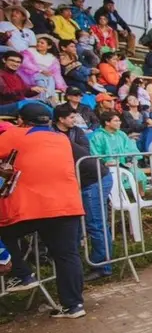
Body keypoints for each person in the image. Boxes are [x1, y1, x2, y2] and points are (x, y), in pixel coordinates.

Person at [0, 102, 87, 317]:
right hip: (67, 205)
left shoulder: (16, 135)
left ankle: (22, 274)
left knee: (4, 232)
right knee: (67, 255)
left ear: (21, 121)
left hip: (33, 207)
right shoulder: (62, 138)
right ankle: (74, 306)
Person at [52, 103, 113, 280]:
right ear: (61, 119)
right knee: (84, 223)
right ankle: (86, 262)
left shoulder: (77, 133)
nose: (75, 120)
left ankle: (102, 265)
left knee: (96, 223)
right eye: (71, 117)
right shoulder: (52, 134)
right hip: (76, 183)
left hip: (94, 179)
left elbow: (83, 154)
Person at [89, 111, 149, 195]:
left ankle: (140, 197)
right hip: (106, 167)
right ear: (107, 123)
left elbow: (130, 149)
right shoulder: (97, 136)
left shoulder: (121, 134)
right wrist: (104, 163)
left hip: (124, 164)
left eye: (119, 121)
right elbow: (94, 153)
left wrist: (130, 160)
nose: (119, 123)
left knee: (139, 175)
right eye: (116, 121)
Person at [17, 34, 64, 104]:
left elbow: (57, 74)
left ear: (49, 46)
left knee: (51, 78)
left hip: (45, 77)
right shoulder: (29, 51)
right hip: (29, 74)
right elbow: (25, 63)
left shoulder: (52, 58)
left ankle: (46, 98)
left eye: (42, 43)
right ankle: (46, 99)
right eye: (38, 42)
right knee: (42, 78)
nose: (39, 44)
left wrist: (61, 87)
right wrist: (40, 70)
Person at [0, 51, 43, 116]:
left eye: (18, 62)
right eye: (12, 60)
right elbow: (6, 93)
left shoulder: (17, 76)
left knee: (40, 104)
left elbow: (26, 93)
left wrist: (37, 90)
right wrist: (30, 89)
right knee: (28, 104)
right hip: (3, 106)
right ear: (4, 60)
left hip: (18, 105)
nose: (15, 64)